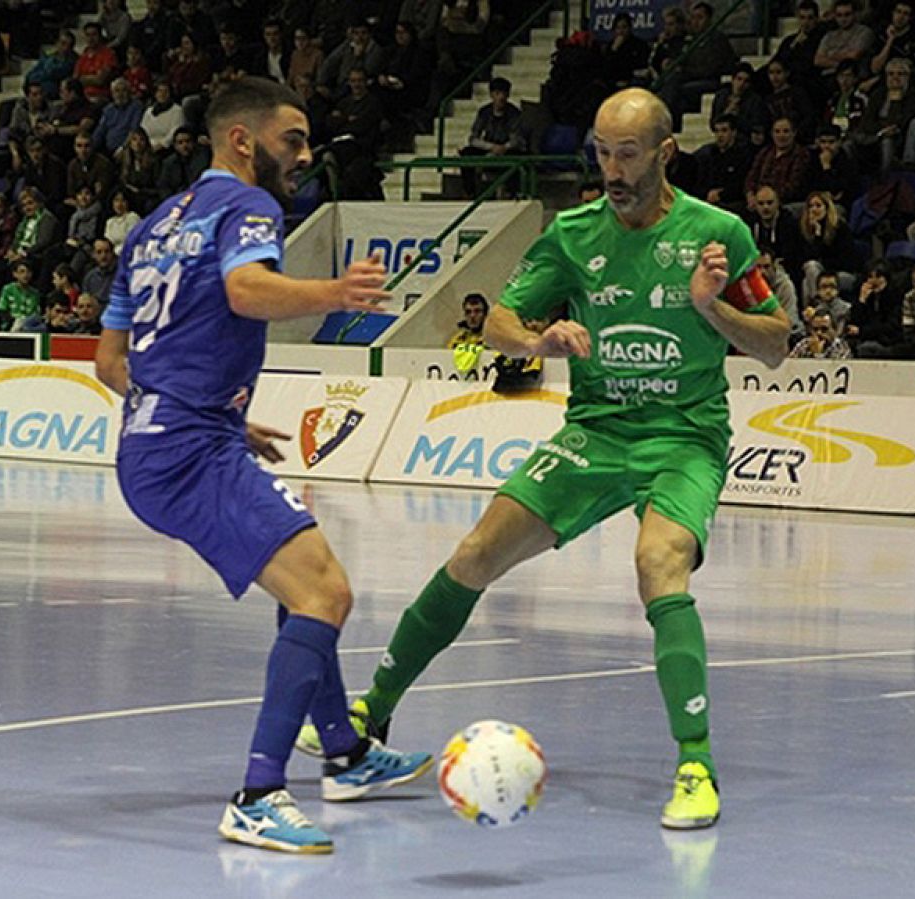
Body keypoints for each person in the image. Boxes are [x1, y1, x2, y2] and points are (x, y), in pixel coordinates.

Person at [296, 88, 790, 832]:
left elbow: (777, 346)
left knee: (659, 563)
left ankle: (695, 765)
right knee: (473, 553)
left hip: (683, 436)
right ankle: (372, 710)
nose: (612, 168)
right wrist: (535, 342)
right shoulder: (572, 233)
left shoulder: (719, 234)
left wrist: (710, 308)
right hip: (593, 432)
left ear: (666, 153)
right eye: (600, 151)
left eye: (627, 153)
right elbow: (496, 319)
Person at [92, 76, 431, 855]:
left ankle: (344, 753)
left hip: (156, 443)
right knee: (326, 589)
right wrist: (333, 290)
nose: (304, 156)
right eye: (294, 139)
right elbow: (245, 290)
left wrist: (204, 409)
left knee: (305, 579)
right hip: (185, 452)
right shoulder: (248, 208)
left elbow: (112, 361)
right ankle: (257, 792)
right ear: (241, 141)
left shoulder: (149, 228)